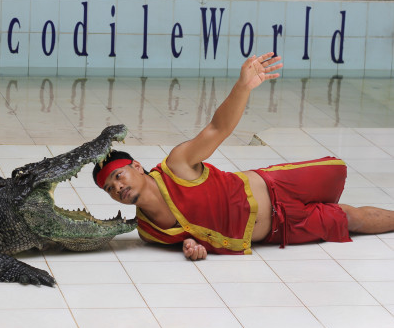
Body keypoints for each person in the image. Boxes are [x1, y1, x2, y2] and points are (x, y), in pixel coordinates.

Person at [93, 53, 394, 260]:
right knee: (351, 218)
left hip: (275, 187)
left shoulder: (177, 165)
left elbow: (218, 128)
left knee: (335, 174)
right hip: (277, 230)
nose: (117, 188)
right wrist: (191, 245)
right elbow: (188, 232)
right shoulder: (149, 232)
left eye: (117, 176)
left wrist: (243, 87)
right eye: (109, 188)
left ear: (137, 166)